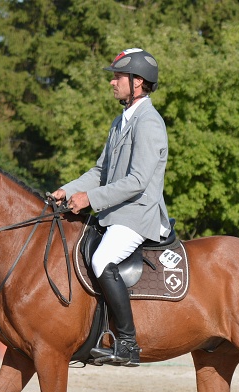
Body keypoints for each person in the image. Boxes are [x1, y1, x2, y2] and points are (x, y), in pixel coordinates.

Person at [52, 48, 171, 367]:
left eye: (118, 77)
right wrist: (69, 189)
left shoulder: (149, 123)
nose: (112, 82)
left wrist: (90, 199)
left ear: (138, 82)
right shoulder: (121, 122)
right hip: (114, 213)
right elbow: (100, 172)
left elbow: (137, 181)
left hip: (137, 214)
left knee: (102, 257)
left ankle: (128, 343)